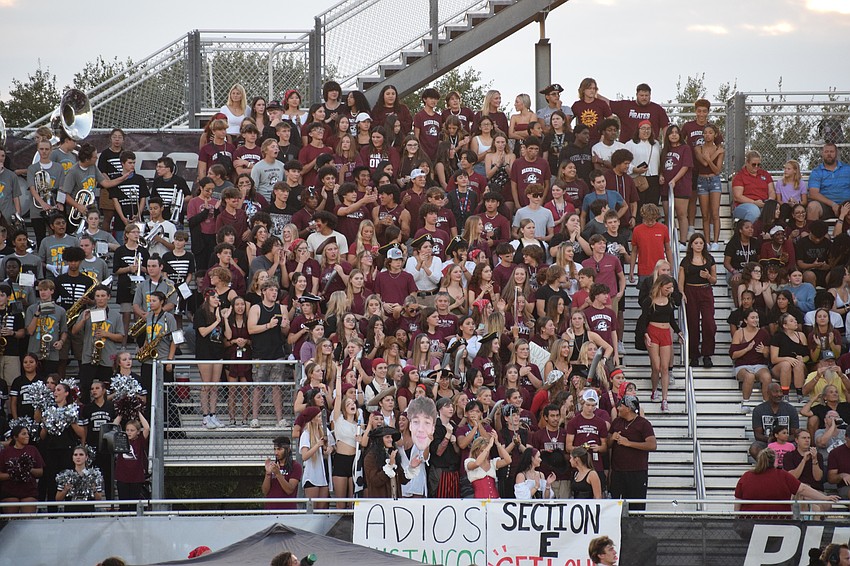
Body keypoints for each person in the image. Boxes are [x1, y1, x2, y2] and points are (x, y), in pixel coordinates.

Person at [735, 448, 839, 514]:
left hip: (749, 521)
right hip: (778, 521)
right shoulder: (782, 475)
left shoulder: (746, 476)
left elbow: (738, 500)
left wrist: (737, 518)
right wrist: (825, 497)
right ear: (774, 461)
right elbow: (802, 489)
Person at [608, 395, 656, 509]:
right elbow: (607, 444)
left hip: (637, 472)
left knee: (636, 507)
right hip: (617, 472)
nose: (618, 408)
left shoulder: (643, 424)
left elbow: (652, 445)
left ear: (628, 408)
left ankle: (636, 527)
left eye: (621, 406)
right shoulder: (616, 422)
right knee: (615, 506)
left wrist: (629, 443)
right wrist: (612, 438)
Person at [679, 233, 717, 368]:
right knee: (692, 324)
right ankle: (694, 355)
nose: (699, 245)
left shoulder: (709, 259)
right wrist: (682, 293)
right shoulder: (686, 261)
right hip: (690, 291)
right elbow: (681, 280)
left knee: (708, 323)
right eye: (696, 243)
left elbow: (714, 280)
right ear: (691, 245)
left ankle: (707, 354)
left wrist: (708, 276)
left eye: (701, 243)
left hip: (705, 291)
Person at [0, 424, 45, 514]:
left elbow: (40, 472)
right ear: (15, 437)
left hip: (29, 490)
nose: (27, 436)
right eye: (24, 434)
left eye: (27, 434)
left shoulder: (33, 449)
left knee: (28, 521)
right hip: (10, 490)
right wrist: (14, 473)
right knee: (11, 521)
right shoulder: (5, 452)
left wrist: (28, 469)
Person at [731, 309, 772, 402]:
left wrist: (764, 351)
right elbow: (733, 355)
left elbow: (768, 355)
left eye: (757, 318)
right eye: (752, 318)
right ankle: (745, 402)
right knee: (750, 376)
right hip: (742, 365)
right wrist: (746, 349)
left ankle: (767, 403)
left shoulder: (764, 333)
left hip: (760, 365)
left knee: (767, 377)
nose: (755, 320)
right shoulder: (739, 333)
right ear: (746, 320)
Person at [113, 413, 150, 510]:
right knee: (123, 505)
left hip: (136, 477)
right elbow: (113, 427)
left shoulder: (140, 441)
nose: (129, 432)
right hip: (122, 476)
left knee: (134, 505)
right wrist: (121, 412)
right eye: (127, 430)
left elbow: (146, 428)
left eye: (132, 430)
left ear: (138, 432)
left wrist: (138, 412)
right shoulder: (121, 439)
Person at [807, 143, 850, 220]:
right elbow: (813, 194)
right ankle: (812, 232)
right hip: (826, 206)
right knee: (813, 207)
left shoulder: (847, 169)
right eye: (826, 152)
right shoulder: (817, 172)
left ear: (836, 153)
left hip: (847, 205)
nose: (829, 154)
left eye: (831, 151)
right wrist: (833, 205)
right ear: (822, 153)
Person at [731, 151, 776, 222]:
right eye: (753, 164)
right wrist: (754, 202)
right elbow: (738, 197)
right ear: (747, 163)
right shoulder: (740, 176)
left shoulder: (765, 174)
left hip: (763, 203)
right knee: (754, 211)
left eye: (759, 164)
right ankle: (749, 232)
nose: (756, 167)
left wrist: (769, 201)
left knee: (773, 210)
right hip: (745, 205)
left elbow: (771, 191)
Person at [263, 436, 302, 510]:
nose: (276, 453)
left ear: (288, 449)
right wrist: (268, 474)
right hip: (270, 510)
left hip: (287, 511)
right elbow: (265, 491)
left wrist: (278, 474)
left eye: (279, 449)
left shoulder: (296, 466)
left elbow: (289, 490)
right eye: (275, 449)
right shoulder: (273, 466)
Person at [827, 433, 850, 499]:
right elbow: (831, 478)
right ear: (846, 437)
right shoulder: (836, 453)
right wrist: (842, 475)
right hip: (846, 487)